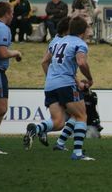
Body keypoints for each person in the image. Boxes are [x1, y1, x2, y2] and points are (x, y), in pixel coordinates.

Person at [23, 16, 95, 161]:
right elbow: (81, 63)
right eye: (87, 27)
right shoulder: (80, 44)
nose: (89, 30)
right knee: (81, 116)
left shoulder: (57, 42)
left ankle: (35, 130)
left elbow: (45, 61)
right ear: (83, 30)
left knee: (58, 122)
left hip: (50, 85)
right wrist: (90, 78)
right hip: (66, 84)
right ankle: (78, 153)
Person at [0, 2, 22, 154]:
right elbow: (2, 53)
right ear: (7, 13)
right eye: (12, 12)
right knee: (1, 108)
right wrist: (16, 53)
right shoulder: (2, 28)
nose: (13, 16)